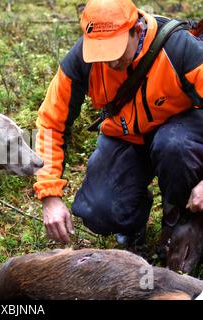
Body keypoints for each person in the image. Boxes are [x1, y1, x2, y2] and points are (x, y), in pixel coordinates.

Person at [34, 0, 203, 245]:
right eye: (100, 53)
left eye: (114, 51)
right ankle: (134, 224)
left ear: (137, 30)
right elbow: (51, 122)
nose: (109, 63)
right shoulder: (81, 59)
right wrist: (49, 194)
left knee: (172, 144)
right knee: (97, 211)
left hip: (181, 135)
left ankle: (185, 224)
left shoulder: (181, 49)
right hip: (126, 136)